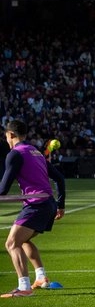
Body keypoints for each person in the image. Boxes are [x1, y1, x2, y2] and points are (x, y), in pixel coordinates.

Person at [0, 119, 66, 297]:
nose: (6, 140)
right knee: (23, 240)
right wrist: (61, 205)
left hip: (36, 205)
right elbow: (60, 178)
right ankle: (41, 278)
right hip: (49, 204)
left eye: (6, 136)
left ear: (11, 135)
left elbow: (3, 189)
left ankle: (24, 287)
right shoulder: (35, 151)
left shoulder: (15, 154)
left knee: (12, 243)